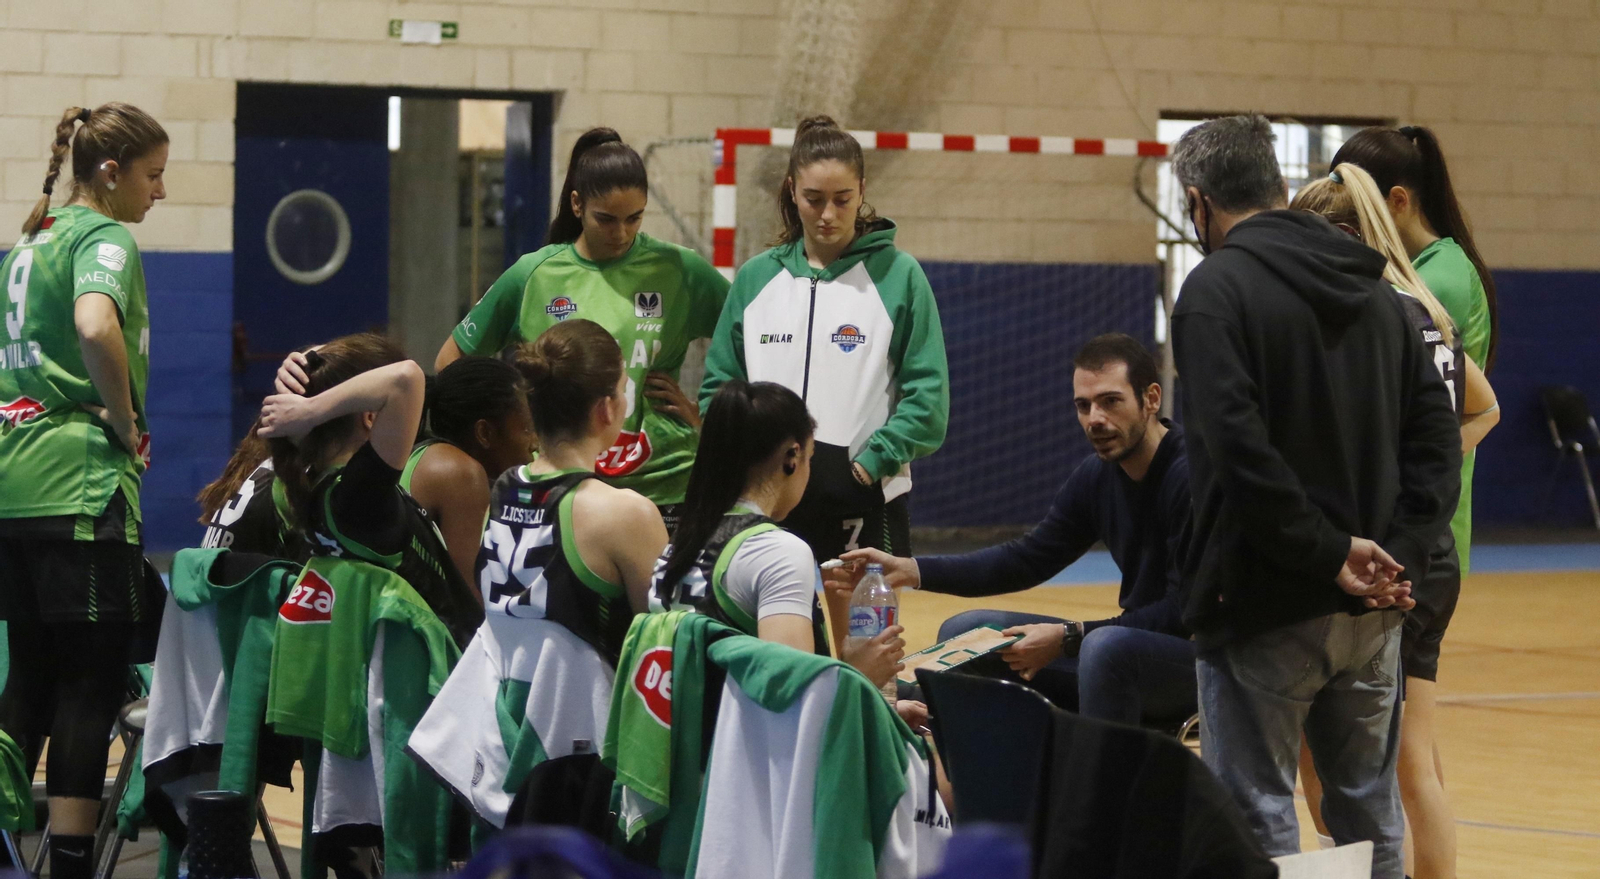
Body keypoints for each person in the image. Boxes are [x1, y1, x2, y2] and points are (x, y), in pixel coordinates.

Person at [1168, 115, 1460, 879]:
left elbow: (1236, 453)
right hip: (1372, 608)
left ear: (1200, 203)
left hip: (1262, 598)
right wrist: (1396, 550)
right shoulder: (1383, 294)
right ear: (1274, 182)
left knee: (1256, 808)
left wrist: (1329, 553)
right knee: (1368, 808)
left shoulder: (1214, 291)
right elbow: (1439, 444)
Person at [1291, 163, 1500, 879]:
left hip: (1392, 555)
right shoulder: (1424, 313)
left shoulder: (1375, 320)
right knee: (1410, 761)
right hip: (1426, 548)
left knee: (1367, 767)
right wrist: (1434, 469)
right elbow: (1485, 406)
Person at [826, 334, 1197, 725]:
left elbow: (1181, 614)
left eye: (1110, 402)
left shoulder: (1191, 477)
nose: (1095, 419)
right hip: (1126, 650)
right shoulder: (1098, 476)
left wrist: (1070, 636)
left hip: (1195, 664)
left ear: (1151, 399)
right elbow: (1027, 559)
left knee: (1103, 647)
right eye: (1083, 406)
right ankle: (982, 772)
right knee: (970, 632)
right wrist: (912, 570)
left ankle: (1101, 781)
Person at [699, 115, 949, 649]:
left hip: (861, 503)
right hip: (764, 502)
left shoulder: (900, 276)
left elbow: (928, 402)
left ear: (864, 191)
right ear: (792, 190)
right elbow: (719, 388)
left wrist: (868, 464)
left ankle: (874, 732)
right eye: (814, 199)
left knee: (869, 658)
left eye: (843, 197)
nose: (829, 214)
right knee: (779, 659)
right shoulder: (755, 279)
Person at [0, 102, 167, 879]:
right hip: (78, 484)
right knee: (87, 681)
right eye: (154, 174)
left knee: (28, 672)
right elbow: (97, 326)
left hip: (13, 481)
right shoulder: (103, 237)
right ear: (111, 171)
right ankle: (67, 865)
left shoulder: (29, 240)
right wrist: (125, 419)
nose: (158, 192)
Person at [435, 128, 729, 528]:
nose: (622, 233)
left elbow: (750, 341)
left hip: (664, 488)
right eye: (606, 219)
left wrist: (706, 415)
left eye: (634, 218)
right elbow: (450, 362)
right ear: (577, 204)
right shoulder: (534, 274)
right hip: (558, 487)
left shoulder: (679, 268)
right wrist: (500, 435)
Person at [655, 378, 925, 726]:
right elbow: (793, 709)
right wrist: (860, 676)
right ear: (791, 458)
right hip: (741, 762)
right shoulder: (777, 552)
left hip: (684, 750)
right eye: (811, 458)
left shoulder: (678, 542)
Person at [1331, 127, 1496, 583]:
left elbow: (1476, 410)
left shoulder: (1436, 281)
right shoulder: (1408, 273)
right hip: (1405, 515)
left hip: (1422, 523)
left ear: (1398, 202)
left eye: (1355, 209)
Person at [259, 334, 482, 645]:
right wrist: (307, 410)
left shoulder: (324, 491)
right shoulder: (358, 500)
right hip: (450, 672)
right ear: (370, 417)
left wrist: (303, 361)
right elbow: (406, 378)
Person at [406, 356, 536, 586]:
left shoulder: (422, 456)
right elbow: (473, 599)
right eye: (527, 428)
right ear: (484, 433)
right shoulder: (460, 473)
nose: (535, 442)